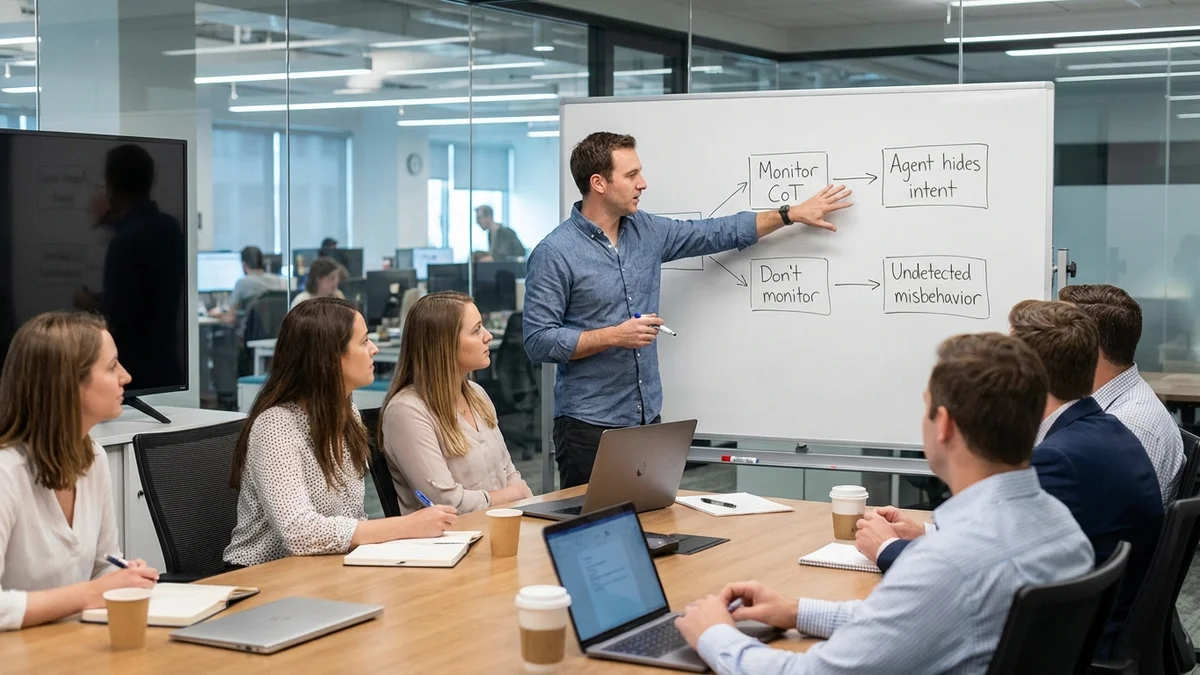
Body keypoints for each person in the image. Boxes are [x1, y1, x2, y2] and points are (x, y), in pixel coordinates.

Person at [673, 332, 1093, 674]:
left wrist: (714, 634)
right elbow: (916, 623)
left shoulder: (949, 563)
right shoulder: (1062, 525)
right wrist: (797, 611)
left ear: (944, 425)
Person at [523, 132, 853, 487]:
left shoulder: (646, 231)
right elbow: (538, 341)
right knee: (594, 522)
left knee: (650, 517)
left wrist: (789, 214)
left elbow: (716, 232)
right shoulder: (555, 253)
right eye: (631, 175)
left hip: (646, 419)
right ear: (598, 183)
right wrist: (614, 336)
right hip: (589, 426)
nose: (642, 183)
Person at [863, 300, 1162, 645]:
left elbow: (983, 572)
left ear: (1027, 373)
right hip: (1092, 630)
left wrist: (887, 547)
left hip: (1076, 646)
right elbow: (1003, 545)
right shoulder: (1107, 430)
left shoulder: (1058, 458)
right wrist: (926, 534)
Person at [223, 297, 458, 568]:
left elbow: (351, 520)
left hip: (325, 568)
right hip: (261, 576)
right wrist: (406, 526)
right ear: (330, 357)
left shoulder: (347, 415)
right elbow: (299, 533)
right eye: (364, 341)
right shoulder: (276, 426)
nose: (374, 349)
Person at [0, 312, 160, 631]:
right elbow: (90, 591)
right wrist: (90, 594)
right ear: (68, 383)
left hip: (68, 639)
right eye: (112, 367)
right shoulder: (6, 472)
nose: (126, 376)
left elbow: (103, 564)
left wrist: (122, 576)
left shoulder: (92, 456)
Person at [379, 292, 533, 515]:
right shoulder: (406, 411)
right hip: (452, 534)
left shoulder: (477, 395)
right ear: (444, 344)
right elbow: (445, 501)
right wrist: (511, 496)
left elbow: (509, 473)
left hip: (499, 524)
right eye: (476, 330)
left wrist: (524, 501)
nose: (488, 336)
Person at [1060, 284, 1185, 504]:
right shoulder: (1098, 405)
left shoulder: (1131, 428)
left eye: (1057, 336)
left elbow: (1098, 514)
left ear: (1086, 347)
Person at [95, 143, 187, 392]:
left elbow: (118, 314)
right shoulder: (169, 228)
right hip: (166, 365)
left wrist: (90, 305)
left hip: (132, 367)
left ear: (113, 184)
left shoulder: (126, 239)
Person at [210, 246, 287, 324]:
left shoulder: (242, 283)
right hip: (276, 329)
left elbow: (231, 318)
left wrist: (216, 315)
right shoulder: (277, 280)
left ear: (244, 264)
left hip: (251, 329)